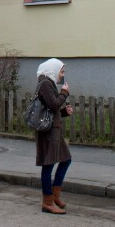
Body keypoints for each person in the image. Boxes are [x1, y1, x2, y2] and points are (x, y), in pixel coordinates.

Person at [34, 58, 73, 214]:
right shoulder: (45, 84)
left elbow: (51, 110)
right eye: (61, 71)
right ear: (53, 69)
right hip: (49, 132)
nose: (62, 74)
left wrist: (64, 112)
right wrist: (64, 92)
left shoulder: (48, 83)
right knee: (48, 165)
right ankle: (47, 202)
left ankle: (55, 196)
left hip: (54, 130)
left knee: (66, 159)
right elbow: (54, 104)